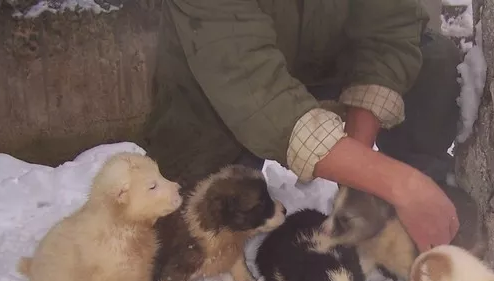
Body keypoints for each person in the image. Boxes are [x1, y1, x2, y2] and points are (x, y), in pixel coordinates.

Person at [142, 0, 463, 252]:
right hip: (221, 84)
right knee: (196, 228)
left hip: (332, 63)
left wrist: (360, 168)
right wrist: (401, 184)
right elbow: (253, 91)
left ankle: (419, 221)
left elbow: (390, 29)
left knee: (432, 60)